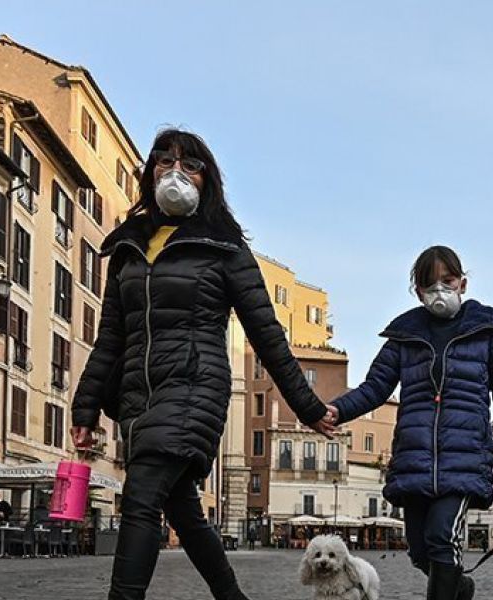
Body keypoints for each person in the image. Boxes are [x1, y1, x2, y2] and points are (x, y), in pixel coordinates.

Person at [71, 128, 336, 600]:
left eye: (189, 165)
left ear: (207, 180)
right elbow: (111, 335)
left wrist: (307, 406)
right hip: (139, 397)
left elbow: (266, 333)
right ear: (149, 173)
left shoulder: (226, 248)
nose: (176, 173)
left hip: (196, 387)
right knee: (184, 513)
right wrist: (85, 409)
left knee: (140, 498)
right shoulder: (129, 250)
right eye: (165, 163)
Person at [325, 246, 493, 600]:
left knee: (442, 537)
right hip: (415, 458)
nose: (440, 290)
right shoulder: (404, 335)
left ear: (462, 283)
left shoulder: (489, 331)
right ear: (418, 291)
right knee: (421, 552)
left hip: (463, 457)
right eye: (429, 284)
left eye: (447, 281)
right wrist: (337, 410)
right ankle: (460, 587)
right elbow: (376, 387)